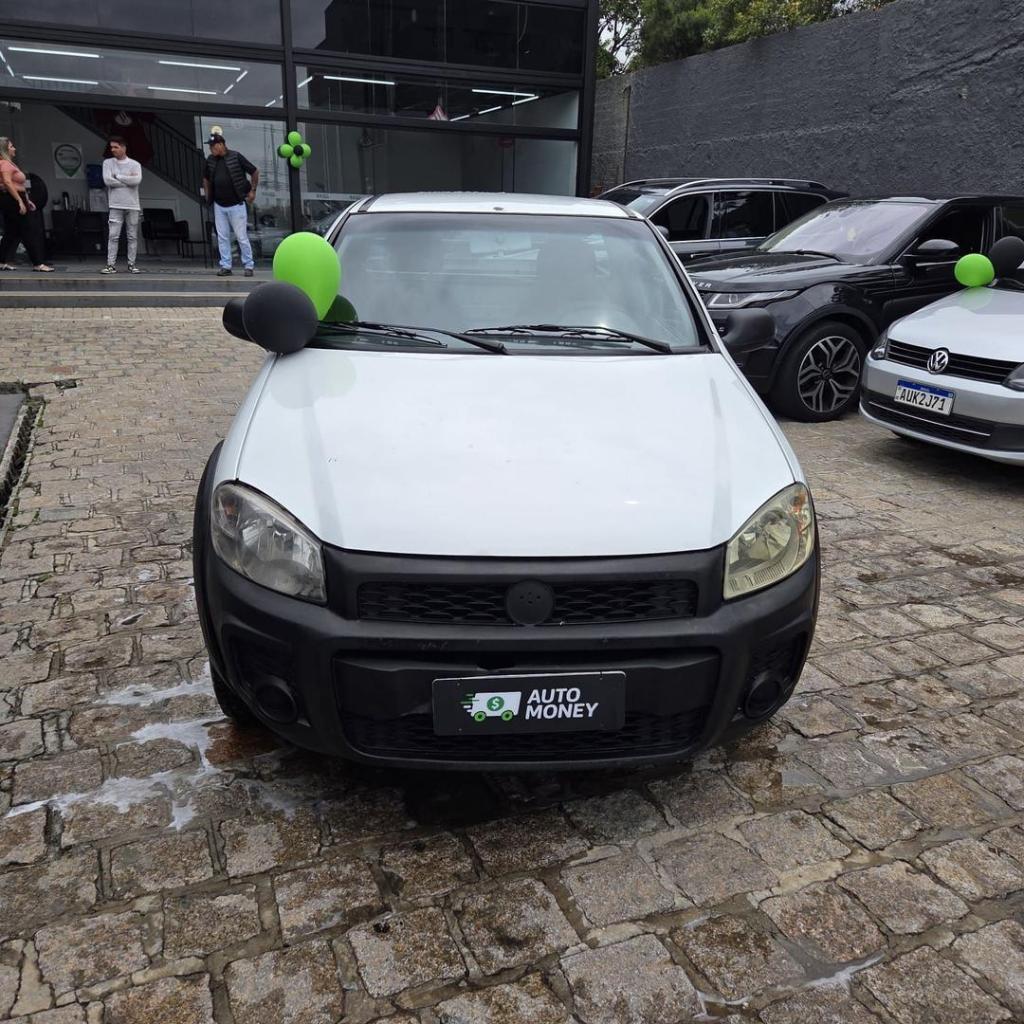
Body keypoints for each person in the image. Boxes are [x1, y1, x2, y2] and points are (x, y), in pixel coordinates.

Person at [202, 129, 258, 277]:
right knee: (222, 237)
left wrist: (252, 191)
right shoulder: (210, 160)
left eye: (213, 146)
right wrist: (208, 195)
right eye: (210, 146)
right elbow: (206, 178)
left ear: (221, 144)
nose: (211, 149)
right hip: (219, 205)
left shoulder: (235, 156)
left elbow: (254, 171)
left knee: (241, 237)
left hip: (236, 204)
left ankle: (249, 265)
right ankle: (226, 266)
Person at [0, 137, 53, 272]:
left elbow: (15, 184)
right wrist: (19, 200)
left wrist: (26, 200)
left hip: (15, 197)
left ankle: (1, 261)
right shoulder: (5, 164)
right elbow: (7, 182)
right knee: (28, 230)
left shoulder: (8, 163)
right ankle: (38, 263)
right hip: (12, 199)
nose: (14, 149)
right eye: (11, 146)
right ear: (5, 149)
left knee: (11, 232)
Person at [101, 135, 143, 274]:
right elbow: (107, 181)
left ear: (124, 148)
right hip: (115, 204)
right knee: (113, 236)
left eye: (116, 147)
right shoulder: (107, 163)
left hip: (132, 205)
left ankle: (132, 264)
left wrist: (118, 176)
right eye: (111, 147)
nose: (112, 149)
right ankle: (110, 265)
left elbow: (136, 180)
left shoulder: (135, 164)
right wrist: (128, 180)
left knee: (132, 236)